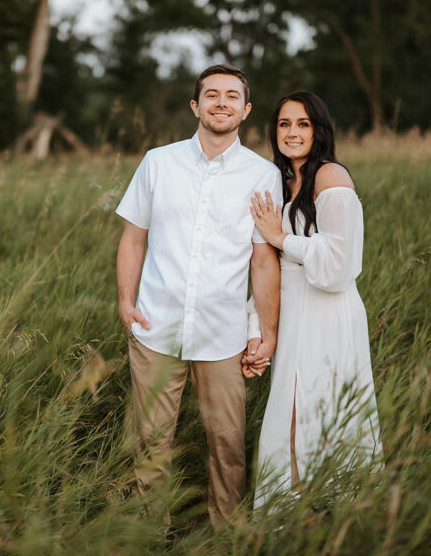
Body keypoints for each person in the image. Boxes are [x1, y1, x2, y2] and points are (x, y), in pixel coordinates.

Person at [115, 64, 282, 528]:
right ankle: (150, 532)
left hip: (223, 333)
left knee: (228, 444)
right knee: (150, 442)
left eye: (232, 96)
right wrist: (127, 306)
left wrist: (264, 333)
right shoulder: (157, 162)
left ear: (245, 110)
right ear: (196, 105)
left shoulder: (262, 175)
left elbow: (263, 261)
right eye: (212, 95)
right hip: (155, 327)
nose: (221, 102)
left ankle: (225, 534)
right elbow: (133, 239)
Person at [247, 91, 381, 508]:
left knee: (324, 412)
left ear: (319, 130)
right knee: (288, 410)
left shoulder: (331, 177)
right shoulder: (282, 183)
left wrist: (281, 237)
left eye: (302, 124)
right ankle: (285, 517)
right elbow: (269, 267)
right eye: (284, 124)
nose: (292, 132)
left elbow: (341, 265)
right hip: (293, 316)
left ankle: (337, 514)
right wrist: (257, 330)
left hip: (328, 313)